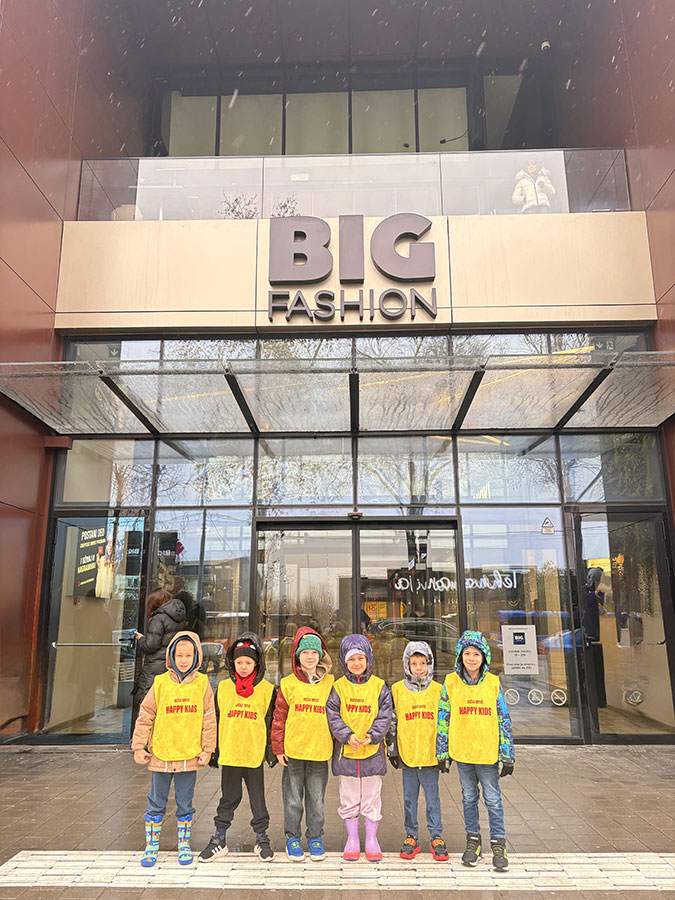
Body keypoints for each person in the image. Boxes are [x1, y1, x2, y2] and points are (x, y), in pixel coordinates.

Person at [131, 631, 216, 867]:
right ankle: (151, 846)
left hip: (189, 755)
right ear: (171, 656)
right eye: (179, 655)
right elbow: (146, 715)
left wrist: (208, 749)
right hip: (161, 754)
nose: (184, 660)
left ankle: (184, 845)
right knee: (156, 802)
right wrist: (139, 746)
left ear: (196, 656)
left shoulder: (202, 683)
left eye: (188, 655)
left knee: (185, 803)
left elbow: (209, 718)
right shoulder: (160, 683)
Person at [437, 630, 514, 872]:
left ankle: (498, 845)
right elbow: (443, 717)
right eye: (467, 653)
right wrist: (442, 752)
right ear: (460, 656)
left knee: (492, 799)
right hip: (462, 752)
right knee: (469, 797)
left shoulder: (492, 683)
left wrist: (507, 754)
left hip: (486, 752)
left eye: (476, 654)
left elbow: (503, 718)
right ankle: (473, 842)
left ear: (484, 657)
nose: (471, 658)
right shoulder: (451, 682)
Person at [199, 632, 277, 863]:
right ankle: (219, 838)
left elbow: (271, 723)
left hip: (253, 755)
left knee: (258, 799)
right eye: (239, 662)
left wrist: (271, 752)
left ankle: (261, 838)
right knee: (228, 798)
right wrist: (212, 750)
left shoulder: (267, 689)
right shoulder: (223, 688)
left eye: (248, 663)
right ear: (232, 663)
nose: (243, 667)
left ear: (257, 664)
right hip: (231, 753)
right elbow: (214, 720)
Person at [326, 634, 392, 862]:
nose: (356, 663)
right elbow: (333, 715)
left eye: (360, 658)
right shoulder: (338, 687)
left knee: (372, 797)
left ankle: (372, 839)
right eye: (351, 659)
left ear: (368, 659)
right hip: (347, 753)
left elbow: (385, 715)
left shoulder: (379, 686)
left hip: (372, 753)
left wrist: (373, 736)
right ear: (344, 661)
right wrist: (347, 736)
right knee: (349, 797)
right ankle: (352, 839)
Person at [271, 627, 334, 861]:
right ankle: (293, 838)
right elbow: (279, 718)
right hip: (293, 752)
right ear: (297, 656)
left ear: (320, 656)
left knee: (316, 799)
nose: (310, 657)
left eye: (314, 653)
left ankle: (315, 837)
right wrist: (278, 748)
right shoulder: (288, 684)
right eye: (305, 652)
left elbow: (337, 717)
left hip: (319, 751)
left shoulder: (330, 683)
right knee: (292, 799)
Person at [387, 641, 449, 862]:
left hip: (430, 756)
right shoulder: (397, 690)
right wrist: (392, 750)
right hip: (408, 755)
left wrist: (444, 753)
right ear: (407, 664)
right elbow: (392, 721)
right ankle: (411, 834)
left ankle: (436, 835)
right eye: (414, 663)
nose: (419, 668)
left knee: (433, 799)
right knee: (409, 799)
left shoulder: (439, 690)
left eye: (423, 663)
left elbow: (445, 723)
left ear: (429, 663)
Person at [133, 589, 186, 704]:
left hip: (155, 665)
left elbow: (150, 646)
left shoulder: (159, 618)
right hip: (169, 663)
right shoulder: (177, 618)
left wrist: (141, 639)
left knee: (147, 698)